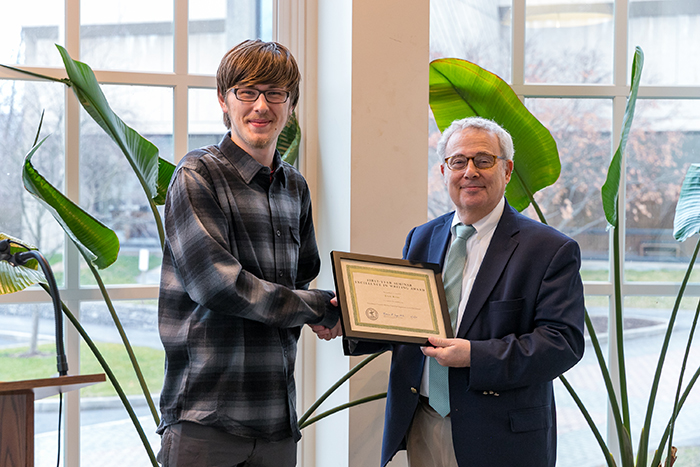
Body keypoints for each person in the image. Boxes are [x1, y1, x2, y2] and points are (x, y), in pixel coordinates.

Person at [342, 116, 586, 467]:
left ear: (507, 170)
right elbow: (406, 323)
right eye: (458, 161)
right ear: (444, 171)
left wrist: (475, 354)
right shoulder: (422, 238)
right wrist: (347, 321)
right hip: (424, 421)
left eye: (483, 160)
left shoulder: (549, 249)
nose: (470, 171)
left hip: (501, 436)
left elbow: (562, 343)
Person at [156, 39, 341, 467]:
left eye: (276, 93)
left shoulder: (295, 188)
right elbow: (219, 286)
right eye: (247, 92)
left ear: (290, 104)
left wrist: (331, 310)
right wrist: (318, 308)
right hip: (206, 418)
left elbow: (302, 280)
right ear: (224, 100)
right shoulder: (197, 175)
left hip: (276, 420)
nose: (262, 106)